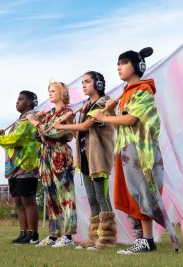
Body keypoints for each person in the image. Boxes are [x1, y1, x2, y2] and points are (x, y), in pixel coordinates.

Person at [91, 47, 166, 254]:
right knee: (131, 195)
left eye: (124, 62)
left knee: (143, 192)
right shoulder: (127, 93)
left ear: (137, 66)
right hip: (126, 150)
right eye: (118, 63)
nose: (119, 67)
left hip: (140, 151)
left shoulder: (143, 90)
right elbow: (122, 122)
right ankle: (141, 239)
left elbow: (132, 120)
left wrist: (103, 117)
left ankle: (147, 240)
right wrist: (112, 111)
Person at [52, 71, 116, 250]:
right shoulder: (86, 105)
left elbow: (86, 126)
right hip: (86, 159)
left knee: (102, 198)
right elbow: (78, 132)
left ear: (99, 84)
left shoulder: (103, 102)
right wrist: (71, 122)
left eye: (87, 82)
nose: (84, 85)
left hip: (99, 158)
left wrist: (62, 125)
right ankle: (94, 238)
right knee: (92, 199)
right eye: (82, 82)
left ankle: (107, 239)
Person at [0, 91, 40, 244]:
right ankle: (23, 233)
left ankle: (33, 235)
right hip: (14, 167)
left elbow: (17, 139)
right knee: (18, 202)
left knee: (28, 201)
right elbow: (10, 144)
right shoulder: (18, 121)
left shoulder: (31, 118)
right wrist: (1, 137)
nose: (17, 102)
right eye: (17, 99)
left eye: (21, 99)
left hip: (26, 165)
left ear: (29, 102)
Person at [26, 82, 77, 248]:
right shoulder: (48, 114)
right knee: (50, 196)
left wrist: (35, 122)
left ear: (62, 93)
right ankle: (54, 234)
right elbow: (39, 136)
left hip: (60, 154)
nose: (50, 93)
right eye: (49, 91)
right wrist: (39, 123)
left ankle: (68, 236)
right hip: (45, 155)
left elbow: (53, 132)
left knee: (65, 196)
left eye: (53, 91)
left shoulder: (68, 112)